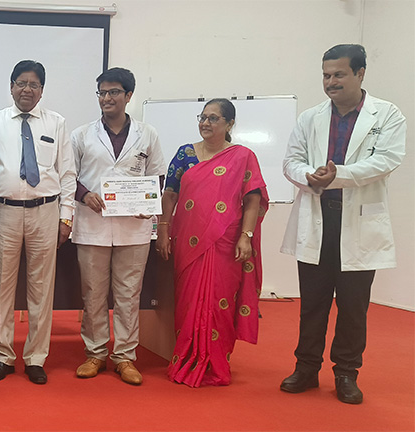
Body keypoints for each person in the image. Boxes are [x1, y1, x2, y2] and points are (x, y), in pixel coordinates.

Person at [279, 44, 406, 404]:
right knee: (312, 303)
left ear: (360, 73)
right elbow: (291, 160)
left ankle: (346, 373)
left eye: (339, 74)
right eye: (326, 75)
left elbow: (387, 160)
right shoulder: (310, 117)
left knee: (353, 307)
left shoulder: (387, 114)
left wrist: (338, 176)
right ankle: (306, 368)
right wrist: (308, 175)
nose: (331, 82)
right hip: (317, 219)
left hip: (359, 224)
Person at [157, 98, 268, 387]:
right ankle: (186, 357)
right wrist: (163, 230)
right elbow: (170, 194)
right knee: (188, 300)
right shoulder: (185, 154)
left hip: (225, 243)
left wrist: (246, 236)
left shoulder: (242, 156)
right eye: (203, 117)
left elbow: (252, 199)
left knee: (220, 303)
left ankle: (216, 361)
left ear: (230, 124)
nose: (205, 123)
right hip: (187, 240)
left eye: (213, 118)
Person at [0, 60, 76, 385]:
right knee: (1, 286)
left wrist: (66, 216)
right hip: (3, 211)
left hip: (45, 212)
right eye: (21, 83)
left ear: (42, 90)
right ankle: (3, 356)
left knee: (41, 288)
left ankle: (35, 357)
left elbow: (67, 173)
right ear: (11, 86)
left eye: (34, 84)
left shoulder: (57, 123)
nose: (27, 90)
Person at [69, 67, 166, 385]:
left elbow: (157, 176)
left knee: (128, 294)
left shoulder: (147, 134)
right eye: (102, 92)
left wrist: (147, 204)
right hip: (92, 224)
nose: (106, 98)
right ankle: (95, 354)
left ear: (128, 95)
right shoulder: (82, 134)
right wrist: (85, 196)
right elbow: (68, 176)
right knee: (93, 294)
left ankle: (124, 356)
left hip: (133, 228)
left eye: (113, 92)